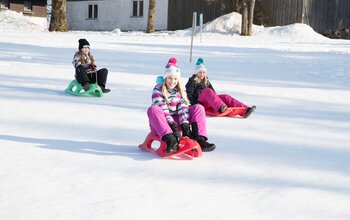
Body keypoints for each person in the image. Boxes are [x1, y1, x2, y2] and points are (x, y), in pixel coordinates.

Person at [147, 57, 216, 154]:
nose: (172, 81)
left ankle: (199, 138)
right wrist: (173, 127)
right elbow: (163, 109)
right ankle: (171, 140)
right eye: (170, 78)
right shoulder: (158, 89)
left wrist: (185, 127)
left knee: (198, 107)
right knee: (153, 109)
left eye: (175, 78)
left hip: (176, 125)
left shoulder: (179, 90)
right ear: (165, 78)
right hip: (161, 125)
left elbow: (183, 109)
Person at [185, 57, 256, 118]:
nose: (202, 74)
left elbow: (213, 93)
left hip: (209, 103)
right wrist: (195, 103)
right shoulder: (192, 80)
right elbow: (188, 94)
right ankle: (220, 107)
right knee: (207, 90)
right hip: (200, 103)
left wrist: (218, 100)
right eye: (200, 72)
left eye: (204, 72)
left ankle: (245, 109)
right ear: (196, 72)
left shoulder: (206, 80)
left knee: (225, 96)